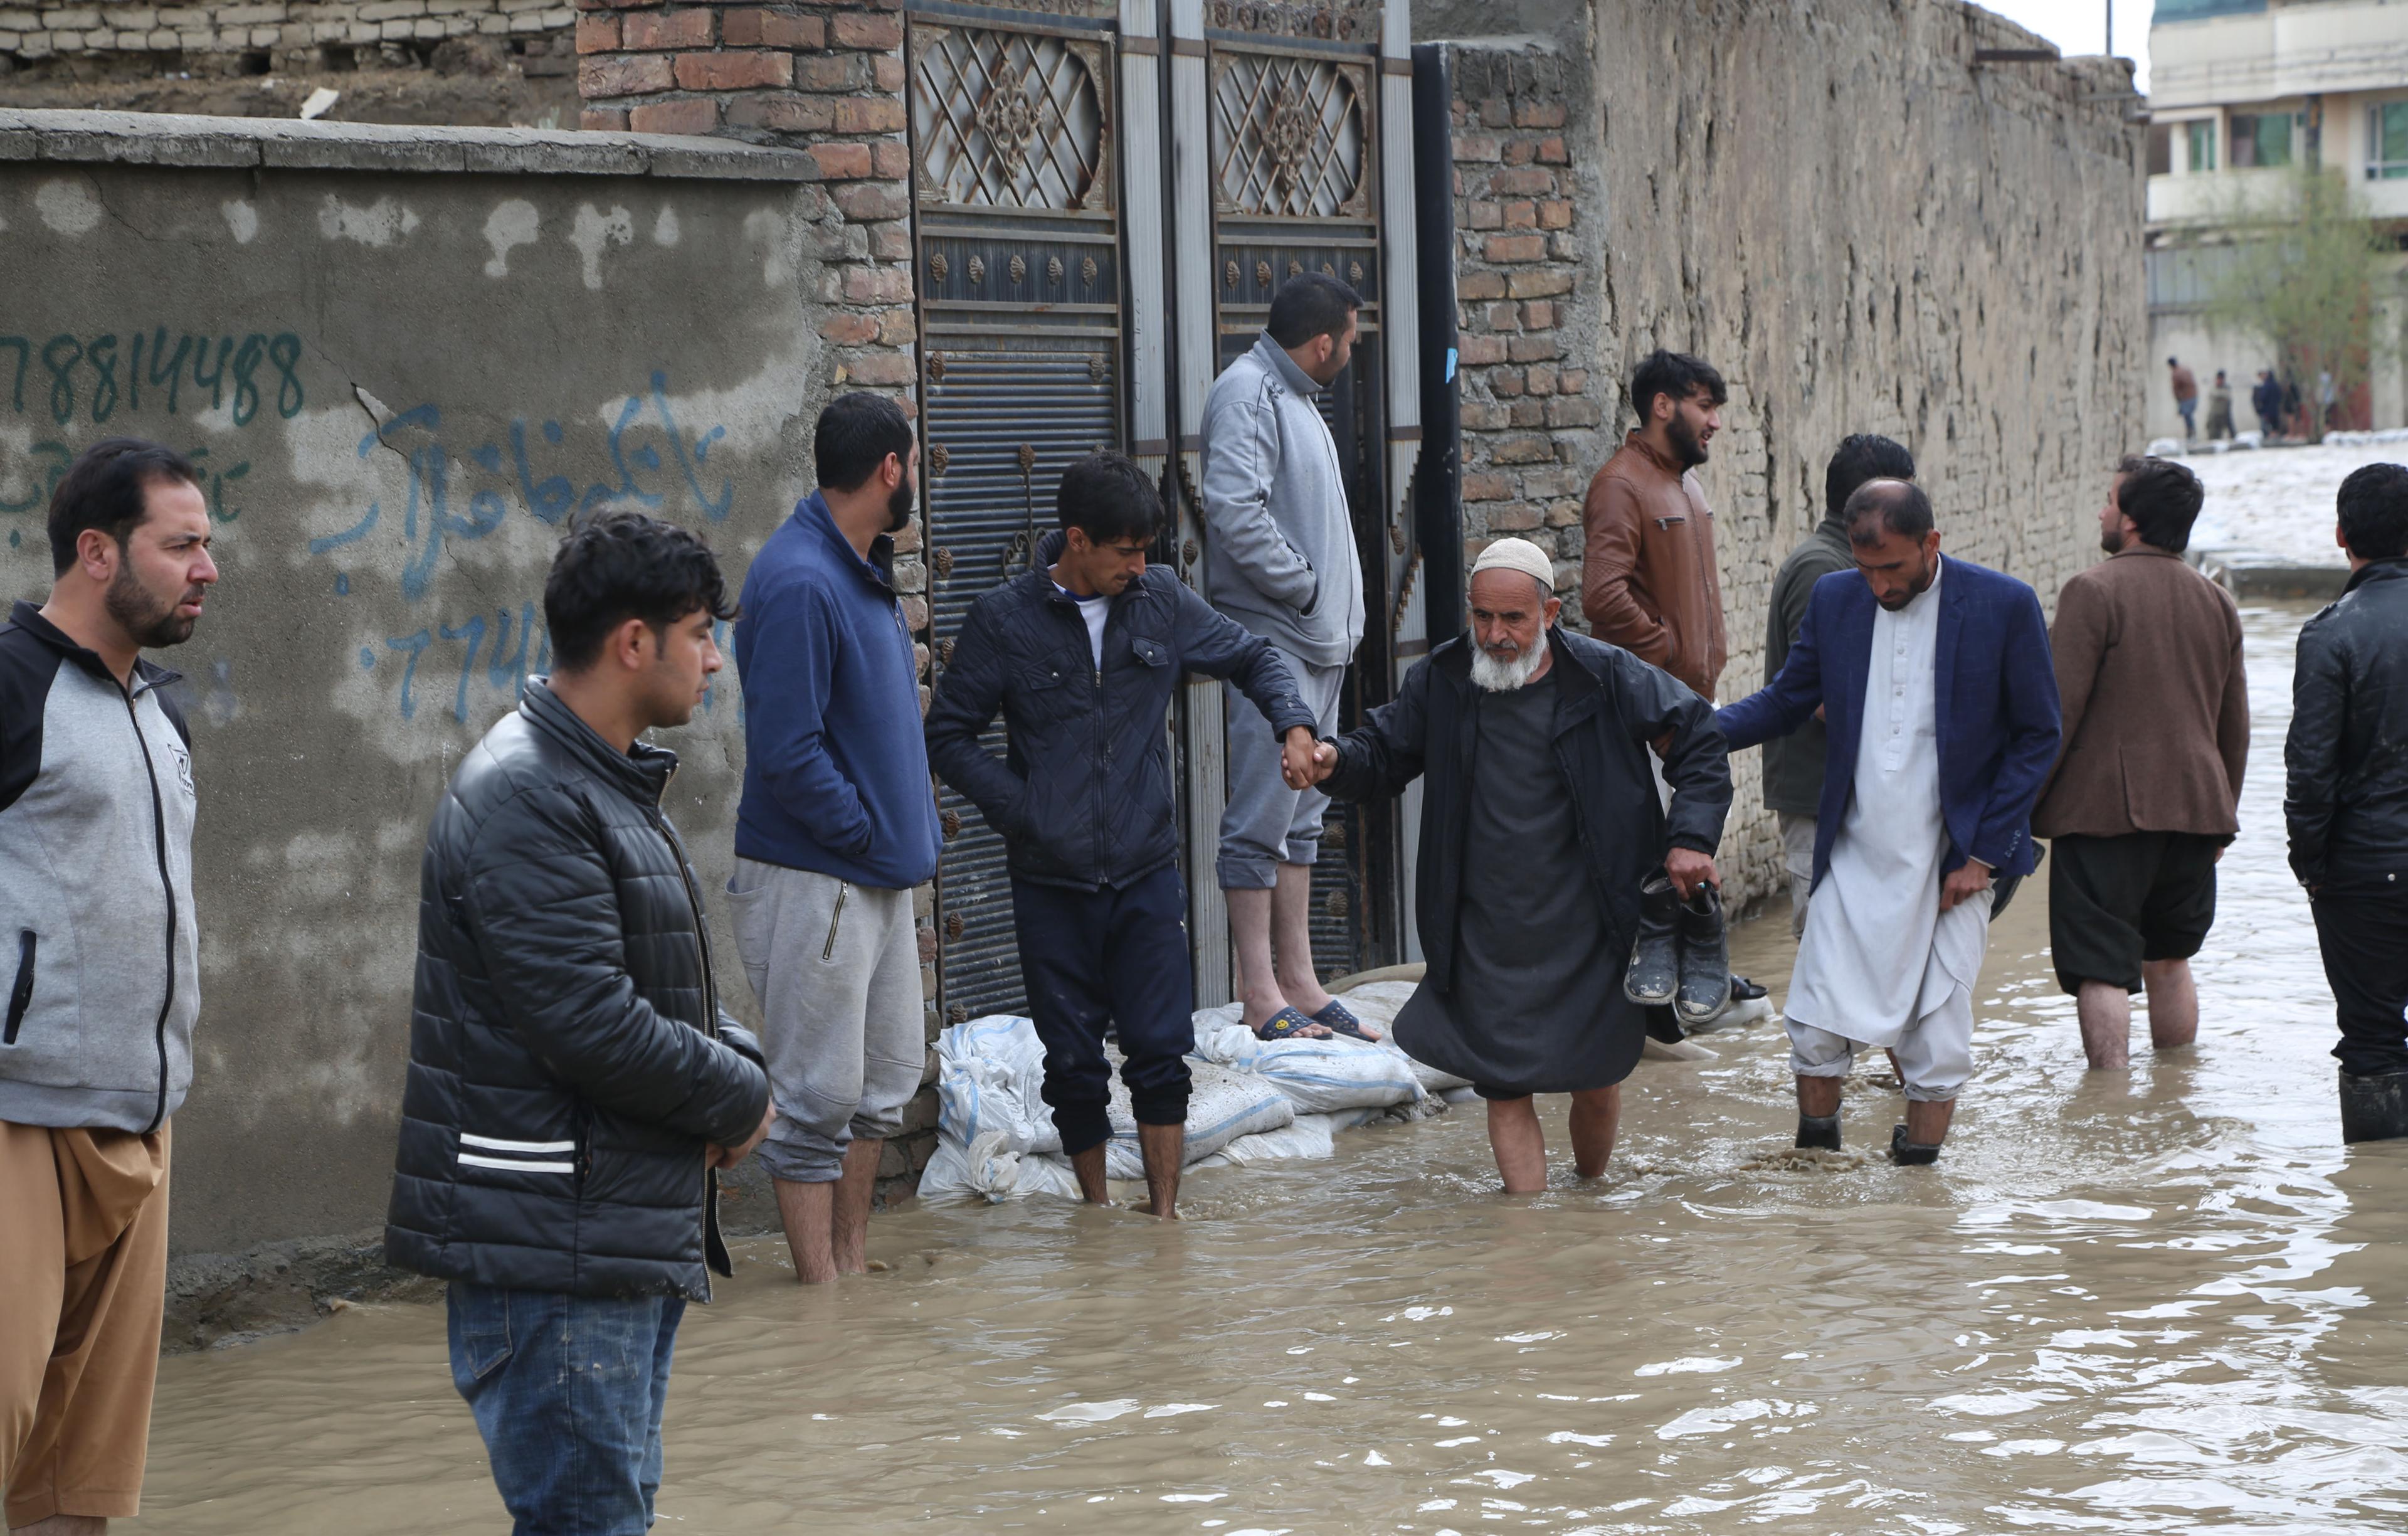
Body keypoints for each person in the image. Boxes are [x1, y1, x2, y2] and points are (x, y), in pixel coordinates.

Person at [386, 511, 776, 1536]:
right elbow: (591, 1023)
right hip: (554, 1254)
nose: (716, 660)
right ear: (633, 642)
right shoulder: (531, 794)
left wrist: (741, 1064)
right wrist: (741, 1095)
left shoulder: (595, 777)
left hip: (597, 1238)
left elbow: (660, 985)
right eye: (700, 633)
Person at [926, 452, 1317, 1217]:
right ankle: (1098, 1214)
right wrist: (1025, 810)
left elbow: (1253, 655)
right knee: (1073, 1064)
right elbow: (947, 735)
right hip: (1051, 882)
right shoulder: (1004, 621)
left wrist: (1293, 723)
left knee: (1161, 1052)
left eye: (1145, 551)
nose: (1138, 567)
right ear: (1077, 540)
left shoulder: (1160, 600)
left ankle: (1164, 1217)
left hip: (1144, 872)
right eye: (1125, 552)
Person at [1298, 538, 1730, 1192]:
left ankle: (1588, 1197)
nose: (1495, 635)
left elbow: (1699, 737)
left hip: (1592, 921)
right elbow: (1385, 750)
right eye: (1482, 617)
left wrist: (1691, 838)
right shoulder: (1444, 678)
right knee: (1503, 1086)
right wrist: (1336, 760)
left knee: (1597, 1077)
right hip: (1485, 926)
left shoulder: (1607, 676)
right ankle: (1525, 1229)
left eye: (1513, 619)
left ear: (1550, 614)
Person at [1716, 481, 2060, 1164]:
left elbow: (2038, 735)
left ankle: (1918, 1196)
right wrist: (1697, 732)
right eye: (1866, 568)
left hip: (1952, 865)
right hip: (1851, 855)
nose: (1878, 585)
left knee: (1936, 1036)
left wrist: (1983, 857)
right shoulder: (1836, 598)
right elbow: (1787, 700)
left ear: (1931, 543)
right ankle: (1818, 1175)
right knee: (1815, 1025)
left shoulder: (2003, 604)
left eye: (1892, 568)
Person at [1, 440, 215, 1536]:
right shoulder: (9, 683)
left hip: (144, 1117)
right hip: (17, 1120)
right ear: (97, 552)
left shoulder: (164, 709)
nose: (207, 568)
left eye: (206, 545)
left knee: (77, 1489)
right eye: (181, 545)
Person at [727, 393, 941, 1285]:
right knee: (817, 1099)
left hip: (875, 877)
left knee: (882, 1089)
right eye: (914, 463)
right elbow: (788, 750)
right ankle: (819, 1302)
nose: (917, 477)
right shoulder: (801, 578)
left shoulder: (860, 568)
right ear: (890, 468)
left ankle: (848, 1279)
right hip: (818, 876)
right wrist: (861, 831)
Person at [1198, 273, 1371, 1042]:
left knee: (1303, 817)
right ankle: (1259, 992)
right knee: (1261, 819)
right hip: (1277, 643)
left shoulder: (1297, 396)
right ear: (1324, 342)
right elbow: (1234, 512)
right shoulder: (1248, 392)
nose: (1353, 354)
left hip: (1320, 644)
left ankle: (1298, 980)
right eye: (1352, 340)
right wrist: (1304, 590)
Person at [2034, 456, 2247, 1071]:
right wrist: (2221, 820)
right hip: (2198, 812)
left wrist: (2017, 810)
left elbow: (2056, 716)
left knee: (2100, 967)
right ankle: (2174, 1096)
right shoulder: (2218, 601)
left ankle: (2111, 1103)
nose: (2102, 510)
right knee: (2170, 958)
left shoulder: (2092, 590)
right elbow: (2234, 727)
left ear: (2130, 520)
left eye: (2110, 500)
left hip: (2106, 816)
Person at [2286, 462, 2408, 1142]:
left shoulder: (2332, 632)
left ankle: (2375, 1190)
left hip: (2366, 869)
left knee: (2371, 1039)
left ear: (2341, 535)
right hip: (2368, 862)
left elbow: (2310, 770)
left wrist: (2311, 865)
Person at [1763, 433, 1916, 936]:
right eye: (1905, 500)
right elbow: (1820, 697)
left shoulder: (1852, 565)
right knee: (1827, 945)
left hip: (1852, 794)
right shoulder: (1822, 570)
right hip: (1818, 794)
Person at [2168, 357, 2199, 440]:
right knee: (2189, 416)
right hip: (2194, 396)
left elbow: (2176, 389)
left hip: (2186, 398)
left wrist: (2179, 401)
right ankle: (2192, 435)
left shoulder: (2176, 374)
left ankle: (2191, 436)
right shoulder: (2185, 369)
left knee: (2187, 417)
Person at [2252, 369, 2283, 439]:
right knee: (2275, 423)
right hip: (2275, 408)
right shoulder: (2275, 384)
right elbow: (2279, 396)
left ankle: (2270, 436)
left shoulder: (2267, 385)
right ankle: (2275, 435)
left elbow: (2263, 397)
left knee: (2267, 424)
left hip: (2267, 409)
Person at [2205, 370, 2234, 441]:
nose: (2220, 381)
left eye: (2221, 379)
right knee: (2212, 434)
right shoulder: (2214, 387)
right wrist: (2221, 396)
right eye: (2218, 379)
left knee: (2232, 432)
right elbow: (2213, 394)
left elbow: (2227, 396)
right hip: (2214, 415)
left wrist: (2220, 396)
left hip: (2225, 414)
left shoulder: (2227, 388)